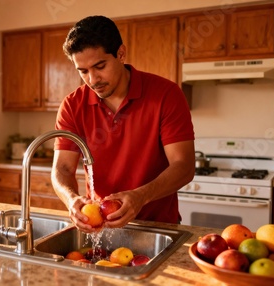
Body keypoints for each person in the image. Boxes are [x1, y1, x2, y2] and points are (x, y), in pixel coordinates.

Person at [51, 15, 195, 233]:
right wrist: (71, 199)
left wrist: (141, 196)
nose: (92, 79)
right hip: (101, 226)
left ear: (120, 54)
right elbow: (62, 167)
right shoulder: (73, 105)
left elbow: (183, 166)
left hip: (158, 227)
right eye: (83, 71)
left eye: (100, 66)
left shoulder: (166, 94)